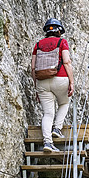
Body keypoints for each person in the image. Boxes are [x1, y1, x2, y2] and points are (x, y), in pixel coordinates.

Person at [31, 18, 74, 152]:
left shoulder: (38, 45)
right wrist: (72, 82)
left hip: (42, 81)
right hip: (60, 78)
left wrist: (36, 88)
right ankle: (57, 128)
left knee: (48, 113)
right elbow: (66, 62)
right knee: (64, 103)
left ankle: (48, 142)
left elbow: (33, 68)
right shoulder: (62, 42)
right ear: (59, 31)